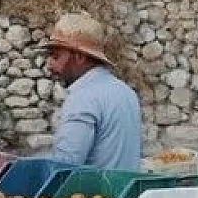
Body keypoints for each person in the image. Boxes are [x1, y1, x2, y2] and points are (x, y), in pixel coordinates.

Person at [45, 13, 141, 171]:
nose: (49, 65)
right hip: (126, 186)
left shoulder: (83, 98)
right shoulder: (125, 92)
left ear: (79, 57)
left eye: (56, 57)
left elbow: (64, 166)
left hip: (95, 188)